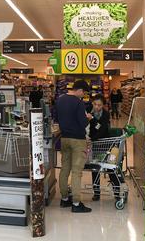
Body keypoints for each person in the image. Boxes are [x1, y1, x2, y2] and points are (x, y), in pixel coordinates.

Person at [55, 79, 93, 213]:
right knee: (77, 172)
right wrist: (88, 117)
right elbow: (83, 123)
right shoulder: (78, 102)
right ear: (80, 90)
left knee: (64, 169)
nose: (83, 96)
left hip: (64, 139)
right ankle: (76, 203)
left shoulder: (60, 100)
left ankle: (64, 199)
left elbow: (56, 118)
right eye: (84, 93)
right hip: (78, 141)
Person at [87, 95, 121, 201]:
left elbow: (102, 130)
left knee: (110, 167)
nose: (97, 107)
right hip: (95, 145)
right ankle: (96, 192)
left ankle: (117, 192)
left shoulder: (105, 114)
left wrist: (92, 120)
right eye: (95, 104)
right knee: (95, 168)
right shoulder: (88, 111)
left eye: (99, 105)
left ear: (103, 105)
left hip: (105, 143)